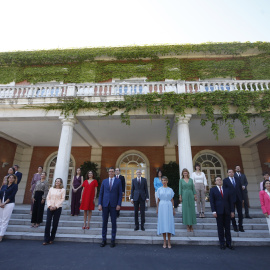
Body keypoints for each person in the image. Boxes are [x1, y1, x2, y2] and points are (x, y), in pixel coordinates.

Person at [98, 167, 122, 248]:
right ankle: (103, 240)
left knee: (113, 223)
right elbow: (101, 193)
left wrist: (119, 204)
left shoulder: (118, 181)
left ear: (114, 172)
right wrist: (99, 204)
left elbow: (120, 194)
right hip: (105, 205)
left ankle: (112, 240)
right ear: (108, 172)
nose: (111, 173)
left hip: (114, 205)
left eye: (112, 171)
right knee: (104, 223)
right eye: (110, 171)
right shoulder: (104, 181)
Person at [210, 176, 235, 250]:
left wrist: (232, 211)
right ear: (215, 182)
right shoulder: (212, 190)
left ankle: (229, 243)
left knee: (227, 228)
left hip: (227, 211)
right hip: (218, 212)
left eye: (220, 180)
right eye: (217, 180)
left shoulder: (227, 190)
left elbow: (231, 201)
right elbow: (212, 201)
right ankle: (222, 243)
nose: (219, 181)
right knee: (220, 228)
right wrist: (213, 211)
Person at [43, 178, 65, 245]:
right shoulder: (51, 189)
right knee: (48, 223)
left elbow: (62, 199)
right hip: (50, 207)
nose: (57, 182)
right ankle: (46, 239)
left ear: (61, 182)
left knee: (55, 223)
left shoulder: (62, 190)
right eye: (56, 181)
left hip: (58, 208)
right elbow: (48, 197)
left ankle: (52, 238)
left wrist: (56, 206)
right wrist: (49, 206)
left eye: (58, 181)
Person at [156, 176, 175, 249]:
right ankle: (164, 241)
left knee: (169, 223)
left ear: (167, 181)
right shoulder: (159, 189)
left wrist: (173, 209)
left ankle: (169, 241)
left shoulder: (170, 190)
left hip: (169, 206)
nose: (164, 181)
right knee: (163, 223)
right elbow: (158, 200)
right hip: (161, 206)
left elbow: (172, 200)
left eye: (165, 180)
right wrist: (157, 209)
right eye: (163, 180)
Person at [0, 174, 18, 242]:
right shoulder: (4, 186)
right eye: (9, 178)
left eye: (12, 178)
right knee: (0, 220)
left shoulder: (15, 186)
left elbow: (12, 195)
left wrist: (4, 203)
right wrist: (0, 203)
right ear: (7, 179)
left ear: (14, 179)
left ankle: (1, 235)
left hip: (9, 204)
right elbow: (0, 195)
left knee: (5, 220)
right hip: (1, 204)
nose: (10, 179)